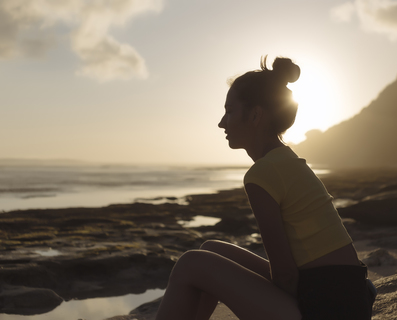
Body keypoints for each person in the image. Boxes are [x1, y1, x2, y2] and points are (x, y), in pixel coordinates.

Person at [155, 56, 374, 320]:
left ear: (256, 115)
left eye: (229, 111)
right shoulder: (287, 160)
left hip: (327, 308)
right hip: (349, 295)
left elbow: (285, 274)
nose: (222, 123)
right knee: (212, 248)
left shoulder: (261, 174)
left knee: (191, 264)